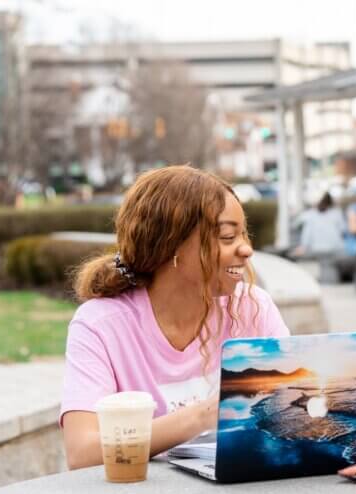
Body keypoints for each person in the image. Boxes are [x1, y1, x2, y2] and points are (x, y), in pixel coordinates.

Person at [60, 166, 290, 469]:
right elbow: (82, 451)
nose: (246, 249)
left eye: (245, 234)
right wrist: (203, 415)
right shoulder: (100, 325)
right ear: (172, 247)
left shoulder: (252, 306)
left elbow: (293, 411)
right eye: (227, 236)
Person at [292, 192, 345, 257]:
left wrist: (303, 246)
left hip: (316, 249)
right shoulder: (337, 213)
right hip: (336, 248)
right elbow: (343, 230)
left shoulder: (309, 214)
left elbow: (295, 225)